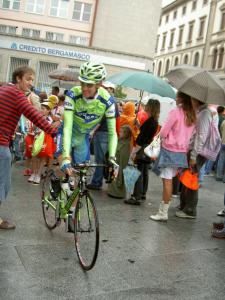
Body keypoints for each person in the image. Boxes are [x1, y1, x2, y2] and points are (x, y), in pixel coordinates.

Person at [0, 66, 57, 229]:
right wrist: (54, 131)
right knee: (2, 182)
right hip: (1, 144)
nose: (31, 83)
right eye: (28, 79)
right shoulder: (17, 95)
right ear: (18, 78)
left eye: (32, 80)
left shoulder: (5, 88)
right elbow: (34, 114)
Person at [61, 62, 118, 176]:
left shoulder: (108, 101)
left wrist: (112, 157)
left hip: (82, 137)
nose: (84, 88)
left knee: (80, 175)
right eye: (82, 83)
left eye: (89, 85)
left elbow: (112, 133)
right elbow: (67, 128)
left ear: (99, 84)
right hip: (66, 134)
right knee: (64, 168)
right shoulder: (73, 94)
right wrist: (66, 157)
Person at [150, 92, 196, 221]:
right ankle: (163, 211)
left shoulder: (176, 112)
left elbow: (164, 132)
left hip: (170, 150)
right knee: (170, 179)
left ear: (182, 98)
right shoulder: (192, 114)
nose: (175, 98)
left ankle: (163, 212)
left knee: (167, 181)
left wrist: (161, 138)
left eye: (178, 96)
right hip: (181, 152)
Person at [176, 97, 217, 219]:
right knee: (187, 176)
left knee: (191, 178)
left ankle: (190, 209)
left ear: (196, 100)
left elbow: (201, 137)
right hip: (195, 151)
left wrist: (193, 156)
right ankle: (185, 205)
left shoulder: (204, 113)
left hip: (198, 153)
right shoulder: (202, 112)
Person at [124, 99, 160, 205]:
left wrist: (134, 151)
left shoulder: (150, 121)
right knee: (144, 172)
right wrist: (139, 125)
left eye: (147, 105)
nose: (145, 106)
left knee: (138, 172)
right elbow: (145, 133)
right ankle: (143, 193)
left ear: (150, 107)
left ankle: (136, 196)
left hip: (142, 148)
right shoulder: (154, 121)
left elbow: (142, 137)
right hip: (148, 149)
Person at [87, 80, 119, 190]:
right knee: (103, 159)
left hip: (102, 133)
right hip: (108, 133)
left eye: (107, 88)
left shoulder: (107, 101)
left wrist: (92, 131)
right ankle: (101, 180)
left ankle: (97, 182)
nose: (105, 89)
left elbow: (100, 119)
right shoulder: (113, 102)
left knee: (99, 160)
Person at [108, 125, 132, 198]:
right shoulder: (120, 141)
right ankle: (112, 191)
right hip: (115, 163)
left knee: (118, 176)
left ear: (126, 134)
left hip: (119, 164)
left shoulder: (126, 144)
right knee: (113, 176)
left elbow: (123, 158)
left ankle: (118, 193)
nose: (119, 133)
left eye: (121, 132)